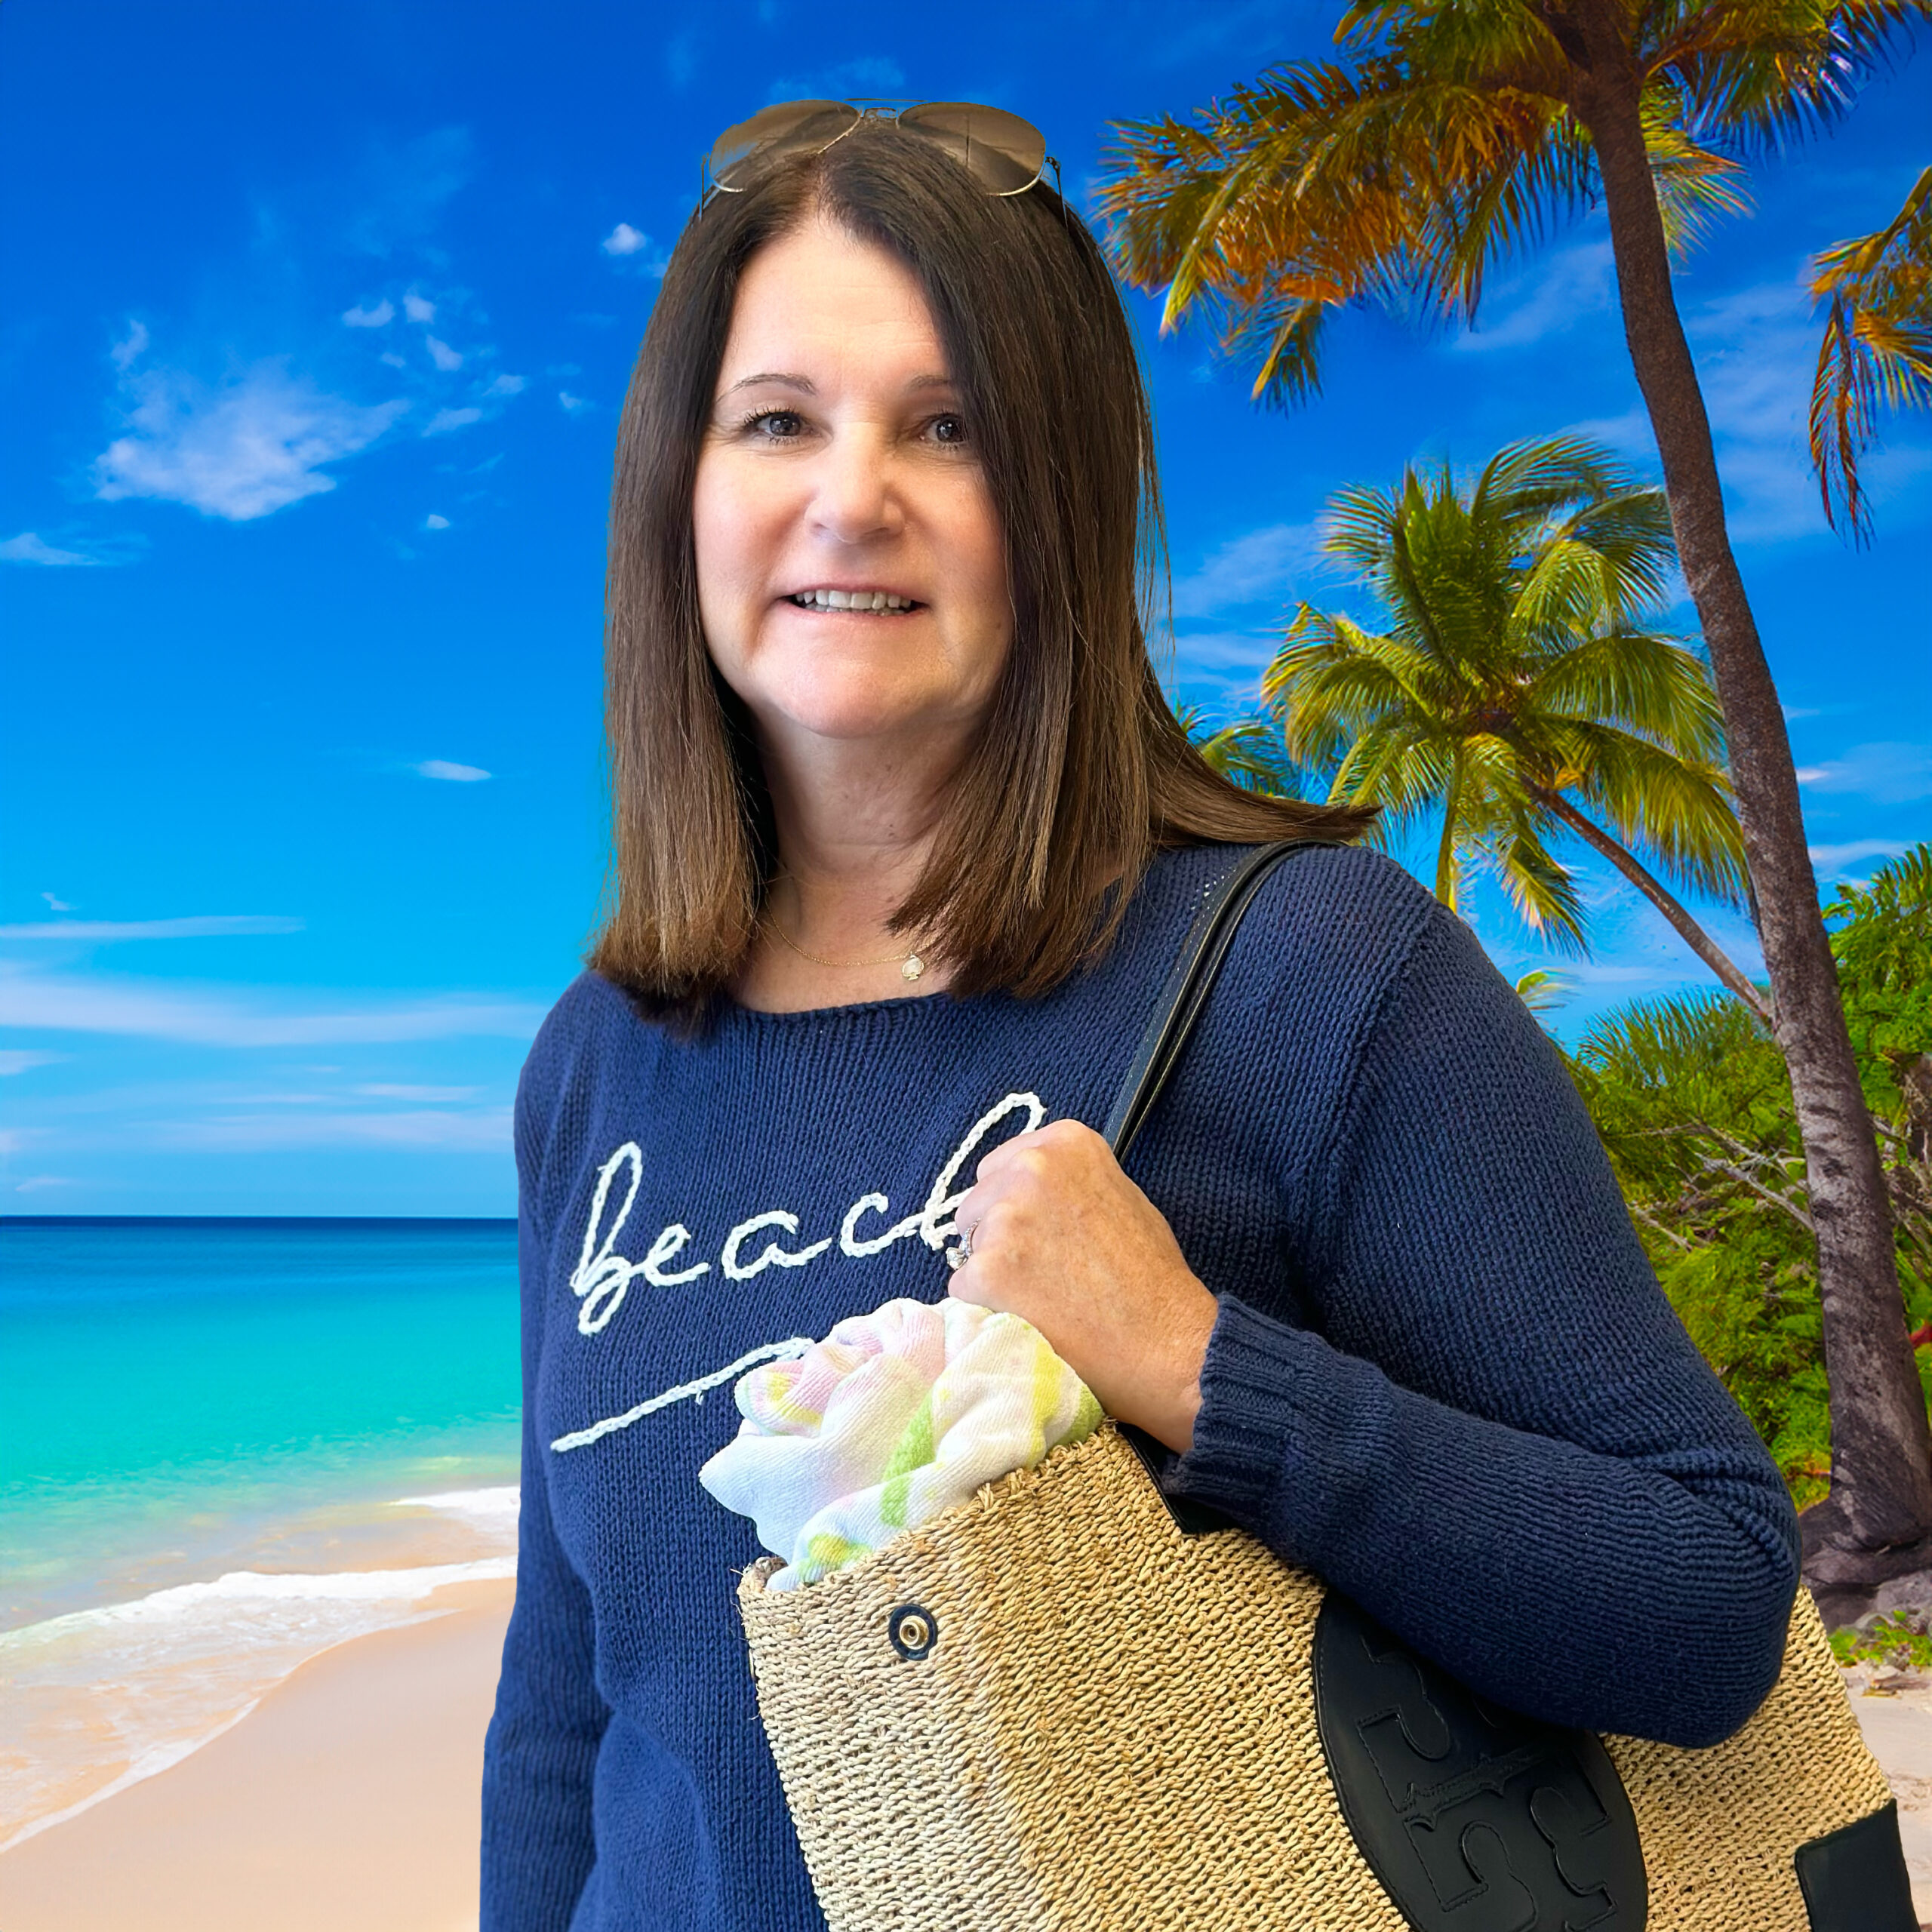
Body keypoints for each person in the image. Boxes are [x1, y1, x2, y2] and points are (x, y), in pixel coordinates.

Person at [480, 103, 1798, 1932]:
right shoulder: (597, 1062)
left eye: (949, 428)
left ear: (1060, 499)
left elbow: (1706, 1592)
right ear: (677, 488)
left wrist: (1193, 1363)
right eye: (775, 417)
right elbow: (567, 1705)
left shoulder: (1316, 974)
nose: (849, 494)